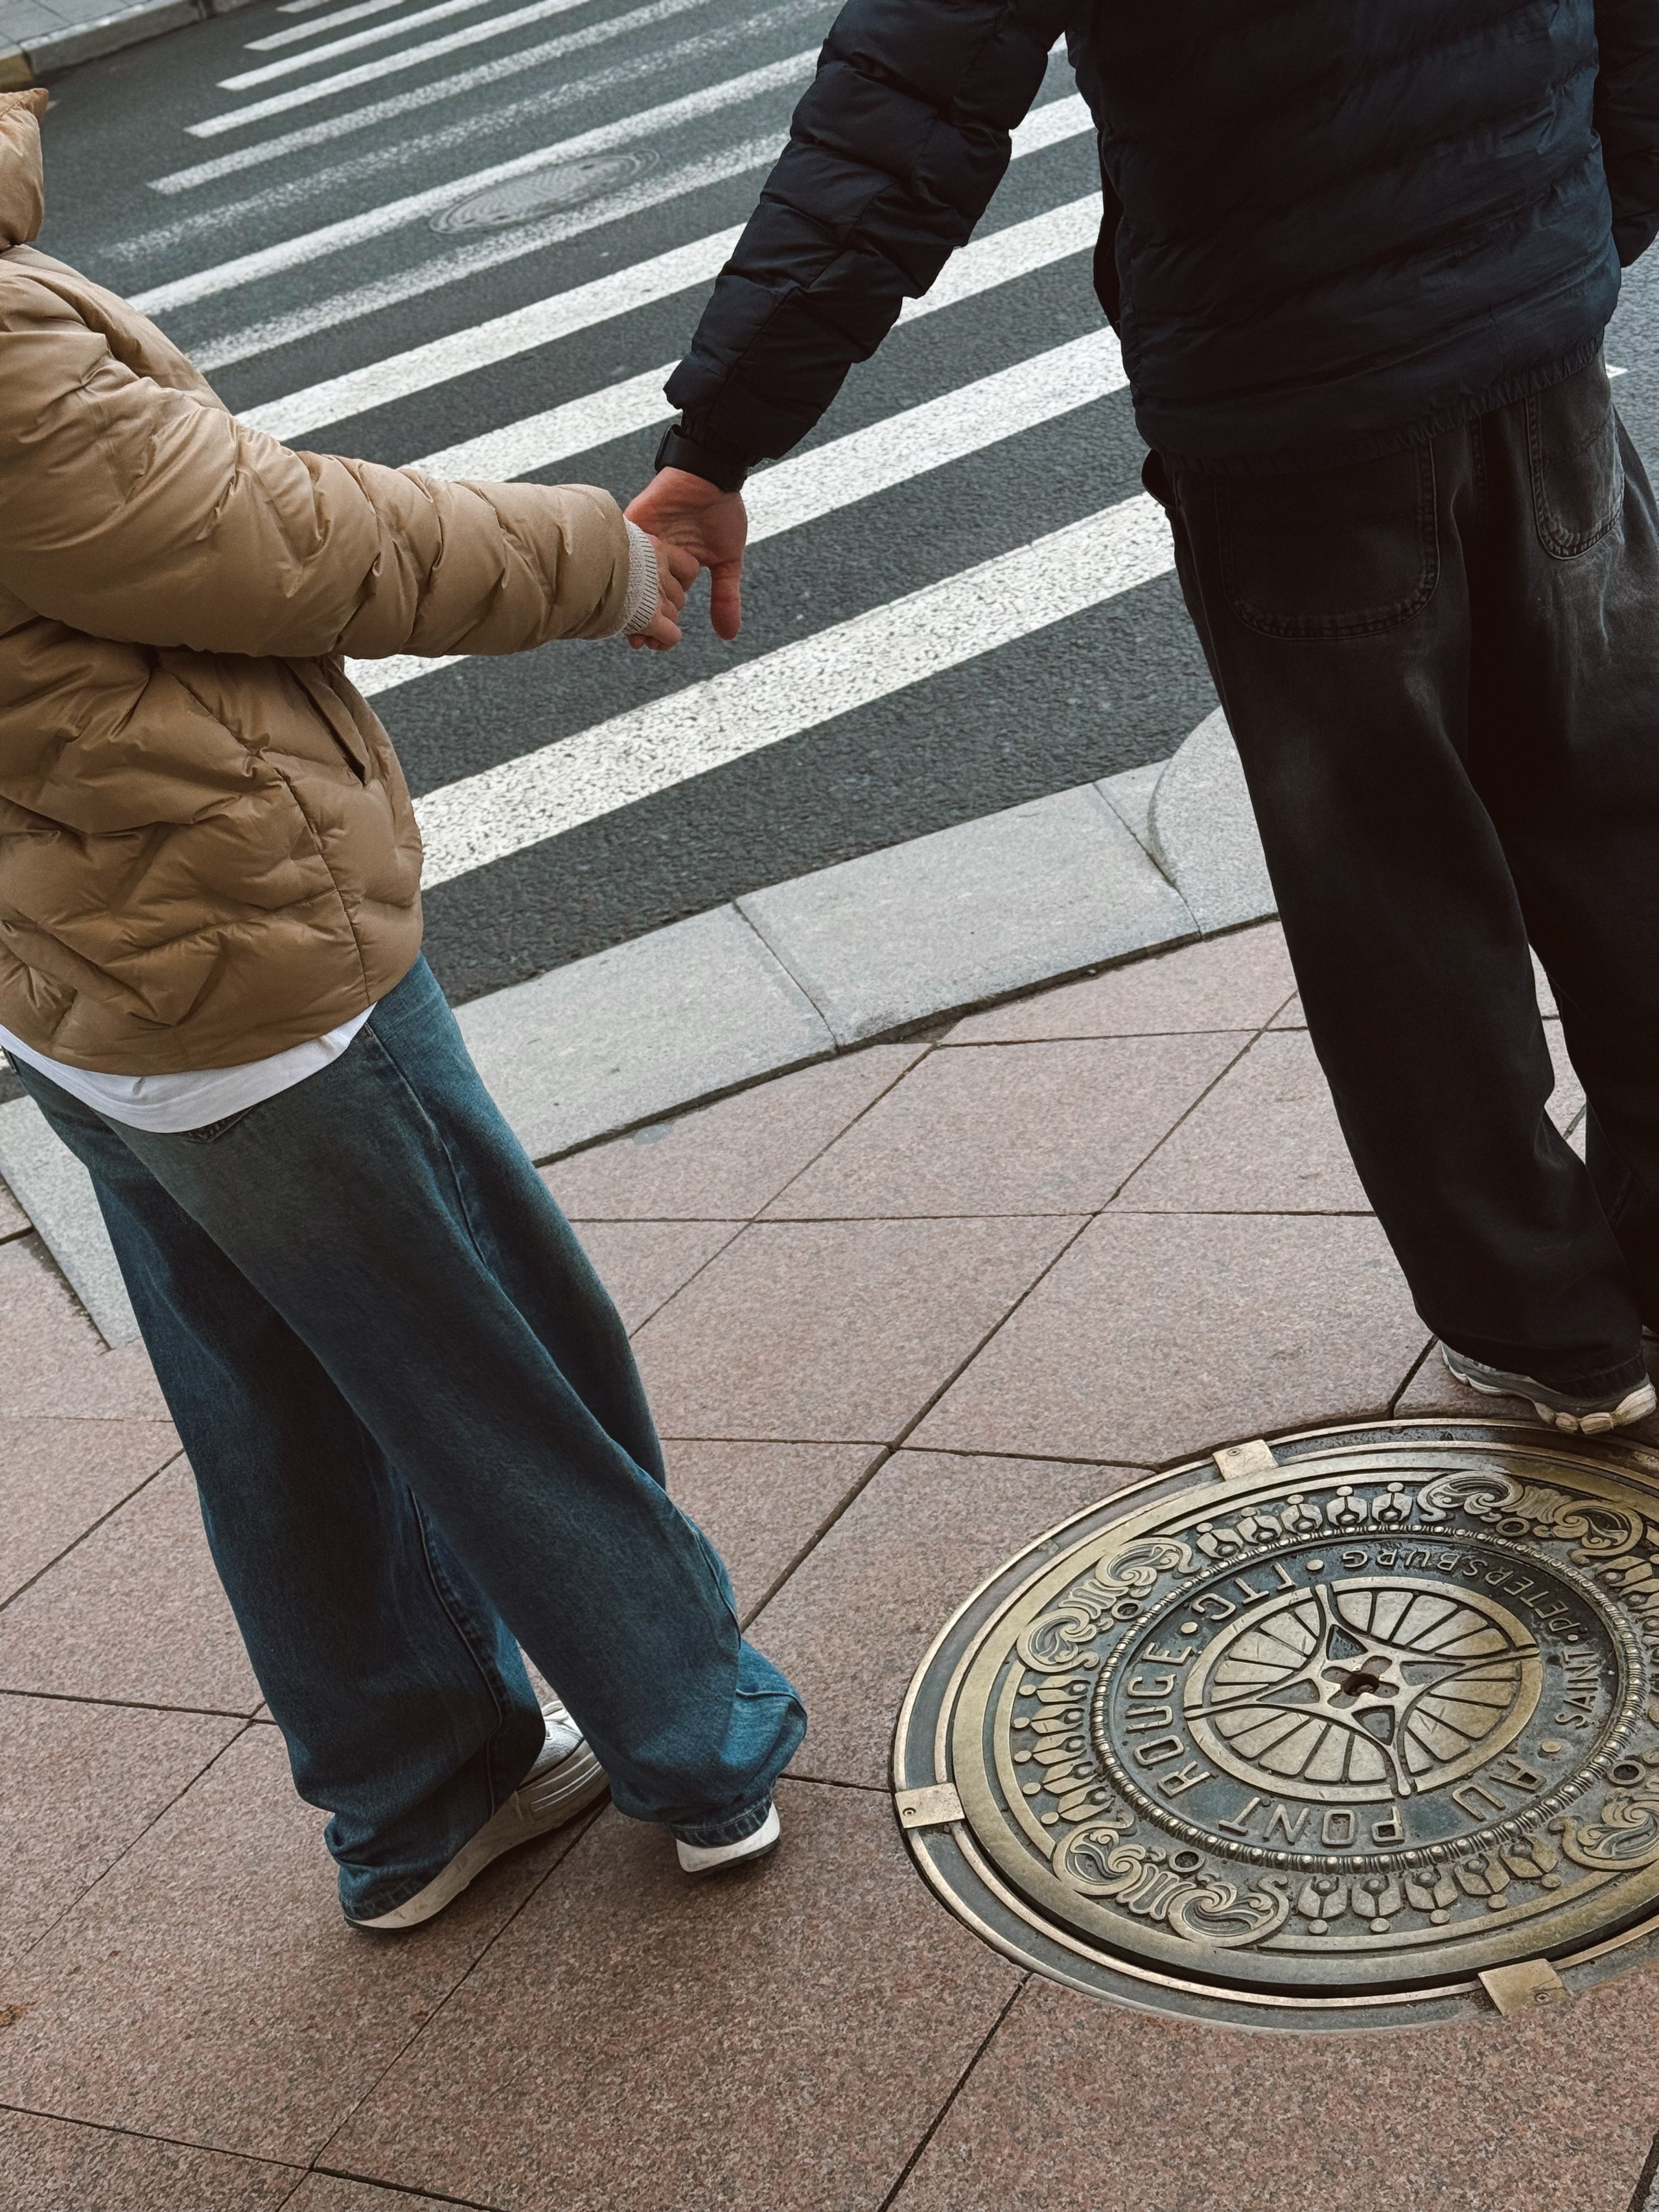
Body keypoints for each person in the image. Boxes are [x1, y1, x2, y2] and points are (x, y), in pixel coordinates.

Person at [0, 86, 805, 1929]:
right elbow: (274, 536)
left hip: (69, 971)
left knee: (265, 1395)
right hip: (235, 945)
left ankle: (413, 1791)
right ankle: (700, 1741)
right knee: (495, 1355)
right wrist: (605, 558)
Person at [630, 0, 1659, 1438]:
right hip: (1533, 341)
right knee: (1621, 825)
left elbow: (904, 115)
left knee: (1392, 899)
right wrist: (1577, 226)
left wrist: (720, 436)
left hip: (1292, 406)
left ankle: (1552, 1334)